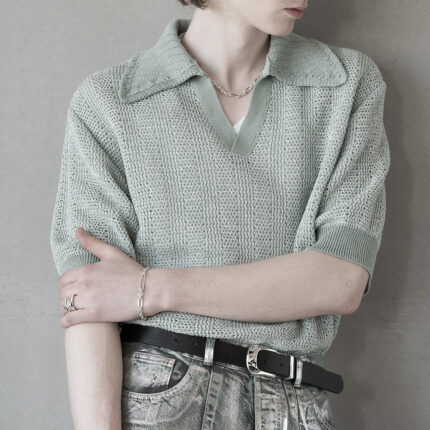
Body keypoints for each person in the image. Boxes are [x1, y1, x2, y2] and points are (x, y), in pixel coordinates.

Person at [50, 0, 390, 428]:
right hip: (162, 394)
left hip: (293, 397)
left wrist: (149, 289)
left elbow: (342, 280)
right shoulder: (110, 101)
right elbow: (89, 300)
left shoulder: (345, 83)